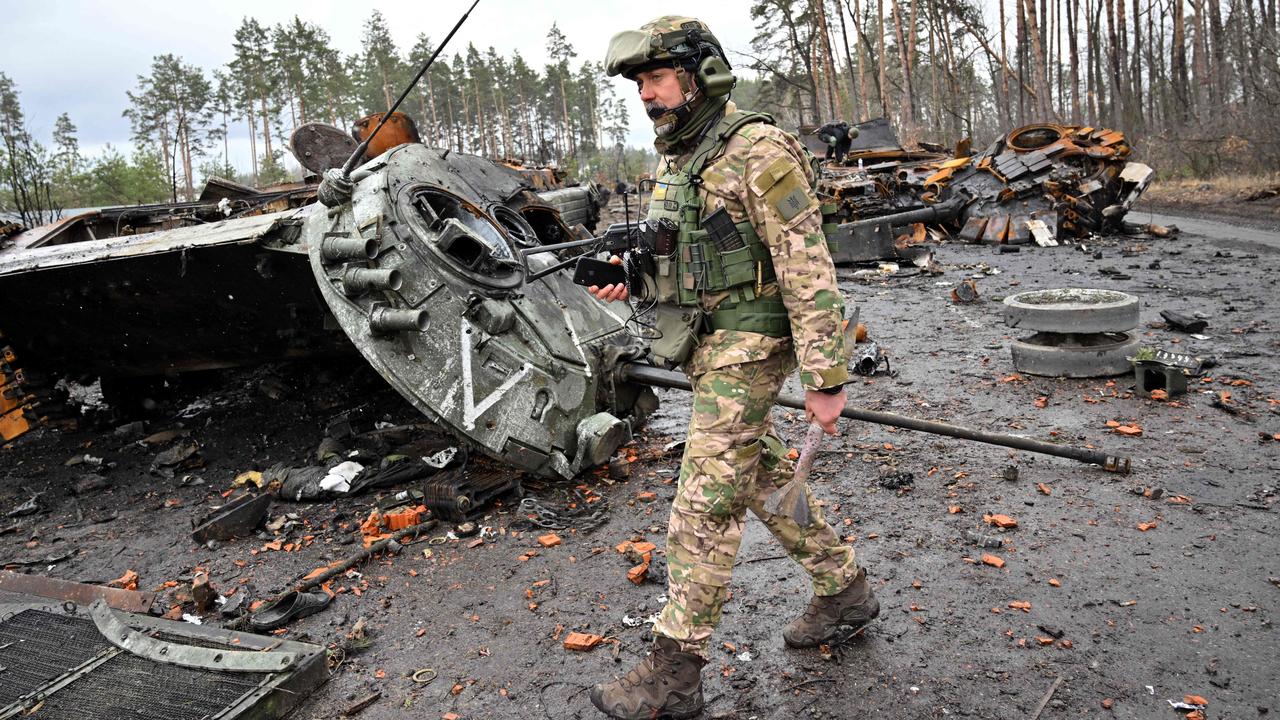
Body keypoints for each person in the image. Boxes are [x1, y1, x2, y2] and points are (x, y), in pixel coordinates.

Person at [588, 15, 879, 720]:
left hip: (750, 342)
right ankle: (844, 591)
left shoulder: (757, 148)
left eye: (655, 79)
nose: (646, 95)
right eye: (640, 84)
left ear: (698, 74)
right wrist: (632, 274)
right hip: (706, 341)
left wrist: (826, 378)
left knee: (705, 501)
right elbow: (688, 254)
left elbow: (807, 266)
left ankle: (673, 672)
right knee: (758, 471)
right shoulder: (678, 155)